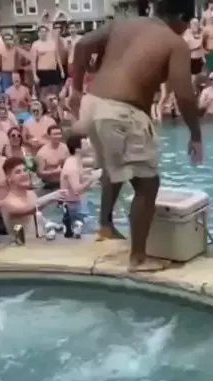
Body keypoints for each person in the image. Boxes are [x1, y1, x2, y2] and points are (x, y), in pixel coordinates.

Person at [70, 0, 202, 272]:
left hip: (92, 104)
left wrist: (75, 90)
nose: (185, 30)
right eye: (187, 24)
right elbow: (184, 94)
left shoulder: (122, 24)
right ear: (180, 16)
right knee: (147, 184)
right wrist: (195, 135)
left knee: (115, 165)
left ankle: (105, 225)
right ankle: (138, 258)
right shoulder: (174, 43)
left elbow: (82, 45)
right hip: (122, 112)